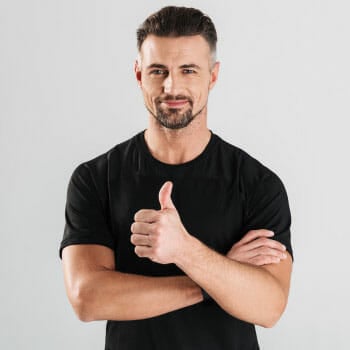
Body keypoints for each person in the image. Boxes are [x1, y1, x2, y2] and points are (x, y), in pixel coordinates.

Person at [59, 6, 293, 350]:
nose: (172, 86)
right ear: (139, 75)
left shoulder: (258, 184)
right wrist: (216, 276)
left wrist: (185, 251)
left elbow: (269, 307)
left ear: (212, 76)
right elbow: (87, 298)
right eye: (158, 71)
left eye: (188, 70)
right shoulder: (95, 179)